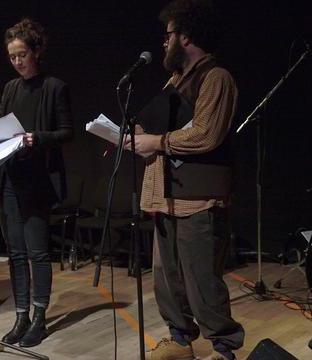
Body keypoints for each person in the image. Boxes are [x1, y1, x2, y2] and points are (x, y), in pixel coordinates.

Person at [123, 1, 245, 359]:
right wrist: (138, 138)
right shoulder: (176, 79)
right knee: (167, 278)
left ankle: (224, 348)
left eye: (169, 35)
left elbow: (207, 134)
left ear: (186, 36)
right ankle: (180, 341)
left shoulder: (215, 77)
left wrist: (156, 141)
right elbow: (165, 128)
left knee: (201, 281)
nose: (164, 43)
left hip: (199, 196)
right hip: (166, 195)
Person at [0, 18, 73, 347]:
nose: (16, 62)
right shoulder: (11, 87)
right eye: (11, 56)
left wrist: (35, 138)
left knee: (37, 253)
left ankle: (40, 317)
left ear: (36, 51)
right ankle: (21, 316)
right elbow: (1, 125)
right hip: (10, 179)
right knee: (15, 253)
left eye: (21, 55)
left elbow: (67, 132)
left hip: (38, 180)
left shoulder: (55, 86)